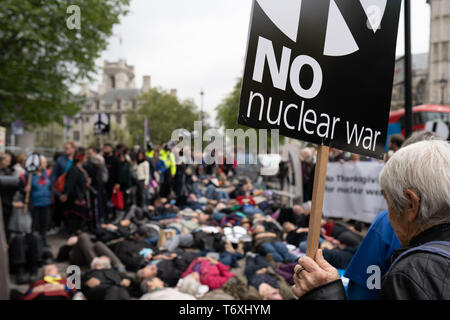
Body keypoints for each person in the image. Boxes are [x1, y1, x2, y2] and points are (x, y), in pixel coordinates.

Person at [292, 140, 450, 300]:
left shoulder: (410, 274)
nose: (387, 215)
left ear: (411, 205)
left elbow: (362, 294)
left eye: (388, 203)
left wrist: (324, 294)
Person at [344, 131, 444, 300]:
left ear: (411, 204)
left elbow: (362, 294)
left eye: (388, 199)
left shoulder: (385, 223)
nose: (389, 210)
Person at [59, 148, 90, 235]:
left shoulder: (81, 169)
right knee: (74, 219)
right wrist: (67, 194)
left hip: (80, 197)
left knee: (79, 220)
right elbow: (70, 184)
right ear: (81, 157)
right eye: (85, 156)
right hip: (75, 198)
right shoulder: (74, 169)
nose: (86, 158)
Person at [25, 156, 52, 247]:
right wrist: (26, 189)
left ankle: (43, 242)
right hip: (35, 203)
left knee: (44, 225)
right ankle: (32, 243)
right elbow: (22, 188)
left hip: (46, 202)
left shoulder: (46, 173)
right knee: (34, 225)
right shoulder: (30, 175)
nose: (46, 164)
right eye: (44, 162)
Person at [50, 141, 76, 229]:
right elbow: (54, 174)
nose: (66, 150)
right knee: (60, 207)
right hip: (62, 186)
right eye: (65, 148)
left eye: (68, 148)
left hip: (73, 187)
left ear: (73, 149)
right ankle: (58, 225)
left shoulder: (77, 159)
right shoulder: (60, 159)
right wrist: (54, 188)